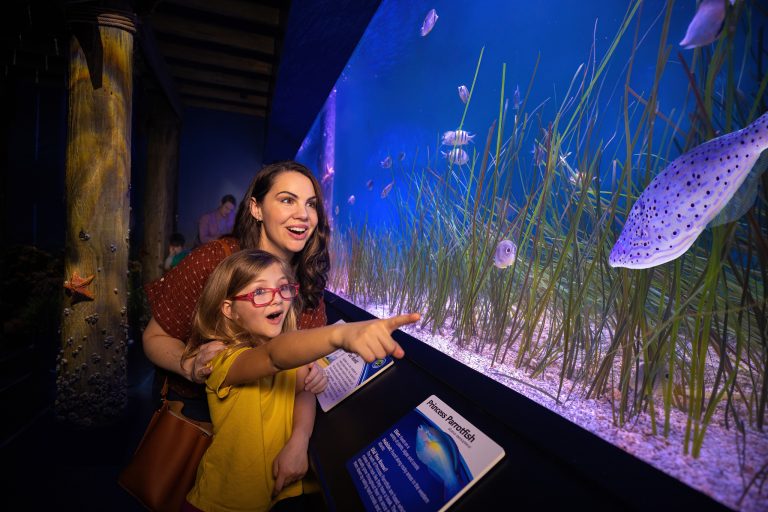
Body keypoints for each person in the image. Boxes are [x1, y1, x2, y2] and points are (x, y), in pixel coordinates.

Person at [181, 250, 419, 511]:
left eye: (283, 287)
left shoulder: (290, 352)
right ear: (229, 310)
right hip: (222, 503)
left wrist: (299, 439)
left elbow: (302, 390)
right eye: (259, 292)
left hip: (275, 493)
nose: (276, 300)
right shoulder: (223, 360)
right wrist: (340, 335)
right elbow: (273, 357)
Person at [143, 161, 331, 423]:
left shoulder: (308, 279)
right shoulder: (213, 261)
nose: (304, 214)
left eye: (311, 204)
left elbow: (306, 366)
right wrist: (189, 365)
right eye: (288, 200)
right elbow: (154, 336)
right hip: (196, 416)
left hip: (267, 423)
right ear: (256, 208)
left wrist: (313, 374)